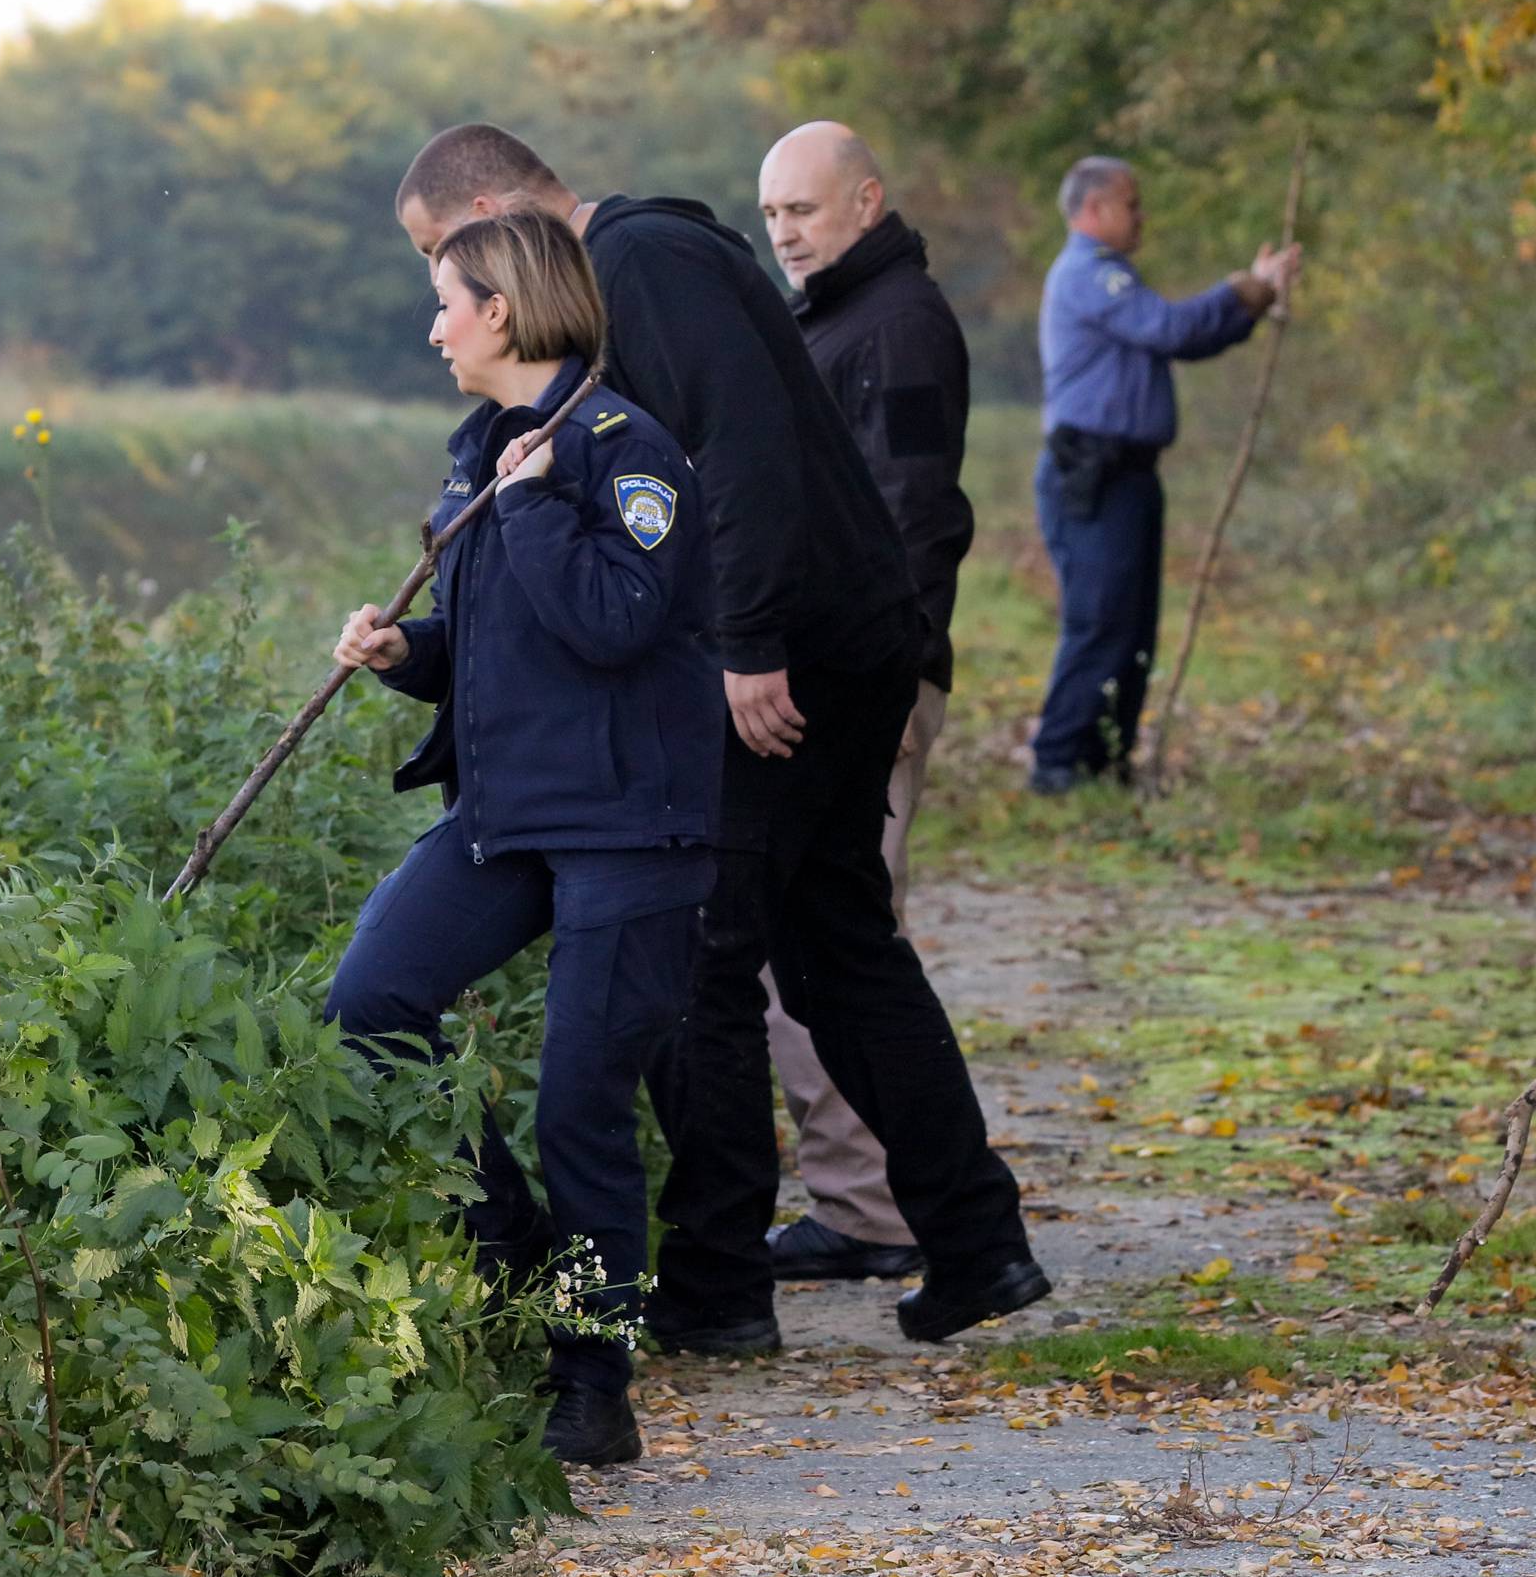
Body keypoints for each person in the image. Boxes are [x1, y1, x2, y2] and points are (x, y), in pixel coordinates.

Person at [392, 123, 1049, 1356]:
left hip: (796, 654)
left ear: (492, 211)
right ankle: (975, 1241)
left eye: (448, 254)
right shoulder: (643, 264)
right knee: (836, 943)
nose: (449, 292)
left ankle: (716, 1286)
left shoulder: (642, 261)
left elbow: (741, 445)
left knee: (709, 959)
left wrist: (747, 645)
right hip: (839, 633)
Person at [327, 207, 720, 1471]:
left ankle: (592, 1379)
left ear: (500, 308)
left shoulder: (620, 449)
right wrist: (407, 652)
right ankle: (512, 1250)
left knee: (581, 1105)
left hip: (629, 827)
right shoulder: (484, 446)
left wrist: (540, 502)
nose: (432, 323)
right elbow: (515, 642)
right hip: (505, 815)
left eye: (445, 298)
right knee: (368, 1002)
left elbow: (612, 622)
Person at [756, 120, 973, 1283]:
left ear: (867, 201)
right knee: (827, 943)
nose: (787, 230)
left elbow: (916, 518)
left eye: (806, 208)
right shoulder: (836, 317)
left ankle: (877, 1211)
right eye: (774, 212)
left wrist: (888, 682)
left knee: (840, 946)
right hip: (844, 676)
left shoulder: (896, 328)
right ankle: (874, 1197)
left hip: (868, 684)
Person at [1031, 156, 1300, 790]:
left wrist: (1253, 304)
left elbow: (1188, 340)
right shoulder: (1087, 274)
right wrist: (1245, 288)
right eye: (1131, 203)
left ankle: (1106, 759)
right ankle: (1058, 763)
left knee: (1132, 627)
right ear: (1093, 211)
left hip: (1129, 475)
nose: (1141, 215)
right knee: (1098, 621)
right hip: (1091, 474)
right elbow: (1171, 327)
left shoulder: (1115, 276)